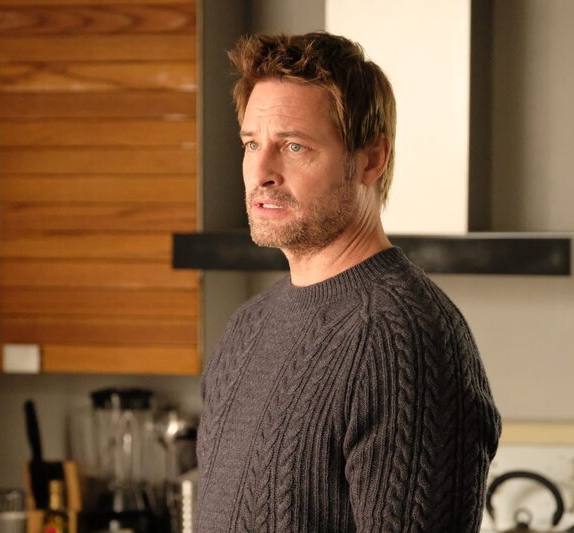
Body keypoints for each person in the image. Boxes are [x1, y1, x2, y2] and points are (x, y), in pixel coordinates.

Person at [196, 32, 501, 533]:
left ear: (371, 159)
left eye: (294, 146)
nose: (261, 172)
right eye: (252, 144)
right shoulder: (248, 325)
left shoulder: (404, 340)